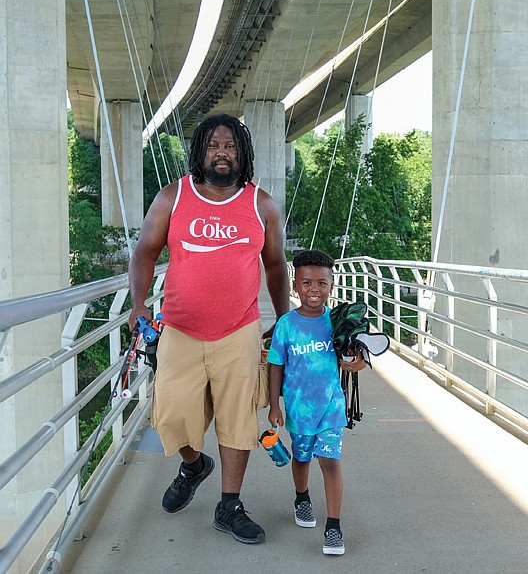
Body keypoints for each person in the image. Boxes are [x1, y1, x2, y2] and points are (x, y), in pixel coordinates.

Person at [129, 114, 290, 544]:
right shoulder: (172, 198)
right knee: (171, 413)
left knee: (238, 420)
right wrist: (139, 303)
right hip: (180, 329)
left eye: (231, 146)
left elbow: (275, 266)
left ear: (243, 154)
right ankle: (194, 465)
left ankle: (229, 505)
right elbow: (144, 252)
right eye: (215, 145)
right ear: (200, 151)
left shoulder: (263, 205)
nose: (223, 152)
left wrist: (284, 319)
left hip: (239, 330)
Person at [267, 249, 368, 555]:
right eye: (307, 283)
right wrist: (274, 405)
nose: (314, 289)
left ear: (332, 285)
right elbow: (275, 365)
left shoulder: (338, 321)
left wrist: (358, 362)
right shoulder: (286, 324)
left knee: (330, 461)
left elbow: (356, 352)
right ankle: (302, 497)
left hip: (331, 406)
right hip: (299, 409)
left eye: (322, 283)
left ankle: (334, 527)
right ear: (295, 285)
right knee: (302, 458)